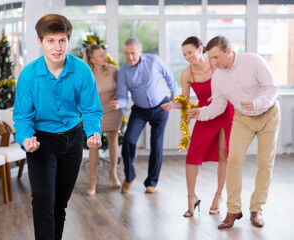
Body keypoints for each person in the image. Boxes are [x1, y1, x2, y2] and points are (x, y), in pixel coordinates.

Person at [13, 14, 103, 239]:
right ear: (40, 42)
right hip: (40, 142)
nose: (57, 47)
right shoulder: (28, 75)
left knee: (60, 203)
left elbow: (91, 109)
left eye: (62, 40)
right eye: (51, 41)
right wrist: (26, 139)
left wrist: (93, 131)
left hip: (72, 140)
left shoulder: (81, 70)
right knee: (43, 198)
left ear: (68, 40)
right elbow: (22, 117)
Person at [188, 36, 280, 229]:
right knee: (233, 160)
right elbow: (218, 106)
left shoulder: (253, 61)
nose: (213, 62)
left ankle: (257, 209)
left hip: (269, 114)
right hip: (242, 119)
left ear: (228, 51)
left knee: (265, 163)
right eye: (210, 58)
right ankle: (233, 210)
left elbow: (272, 89)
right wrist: (201, 112)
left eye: (215, 58)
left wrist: (257, 103)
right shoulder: (218, 77)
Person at [162, 36, 234, 217]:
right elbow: (185, 101)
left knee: (224, 154)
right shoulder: (186, 74)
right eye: (184, 54)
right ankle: (191, 197)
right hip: (205, 115)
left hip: (225, 112)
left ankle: (218, 196)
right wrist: (173, 105)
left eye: (190, 52)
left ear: (200, 49)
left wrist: (220, 95)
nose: (187, 57)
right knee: (192, 155)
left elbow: (231, 84)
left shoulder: (215, 64)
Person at [111, 38, 178, 194]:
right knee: (128, 141)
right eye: (126, 53)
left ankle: (151, 182)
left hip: (160, 107)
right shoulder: (124, 71)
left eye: (133, 53)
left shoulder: (154, 61)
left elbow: (170, 78)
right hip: (139, 110)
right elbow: (122, 96)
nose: (130, 57)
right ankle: (130, 175)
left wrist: (174, 98)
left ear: (140, 51)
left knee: (156, 144)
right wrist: (118, 104)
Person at [83, 44, 123, 196]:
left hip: (113, 110)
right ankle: (93, 180)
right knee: (94, 144)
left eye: (104, 54)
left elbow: (122, 87)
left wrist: (117, 95)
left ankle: (113, 174)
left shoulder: (112, 70)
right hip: (95, 113)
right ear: (92, 59)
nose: (104, 57)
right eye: (100, 55)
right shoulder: (87, 73)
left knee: (113, 141)